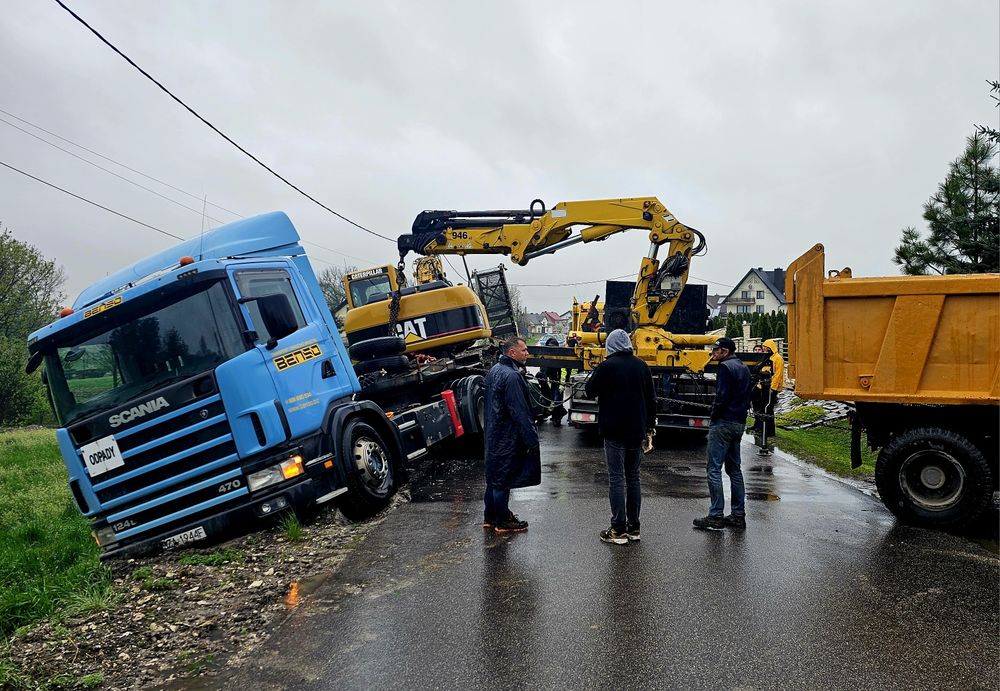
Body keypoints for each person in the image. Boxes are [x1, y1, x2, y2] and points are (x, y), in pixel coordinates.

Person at [584, 329, 655, 545]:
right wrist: (649, 428)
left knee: (616, 478)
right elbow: (651, 399)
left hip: (613, 429)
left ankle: (617, 530)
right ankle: (634, 527)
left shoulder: (607, 366)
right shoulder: (642, 366)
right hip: (636, 430)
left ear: (610, 346)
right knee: (633, 477)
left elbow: (589, 391)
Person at [483, 335, 541, 533]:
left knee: (494, 477)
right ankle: (502, 521)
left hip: (493, 433)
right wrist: (531, 439)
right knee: (502, 480)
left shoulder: (495, 370)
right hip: (507, 435)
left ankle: (489, 517)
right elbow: (520, 412)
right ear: (512, 353)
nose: (527, 353)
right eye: (524, 350)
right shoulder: (513, 376)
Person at [694, 337, 752, 531]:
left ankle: (716, 515)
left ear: (725, 351)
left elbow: (722, 396)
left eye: (716, 350)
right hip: (739, 422)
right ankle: (738, 514)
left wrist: (714, 414)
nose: (713, 353)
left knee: (714, 469)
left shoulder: (726, 368)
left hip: (724, 422)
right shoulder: (743, 367)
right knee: (734, 469)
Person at [538, 335, 566, 426]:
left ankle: (556, 417)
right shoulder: (544, 356)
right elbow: (542, 370)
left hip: (556, 382)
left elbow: (564, 371)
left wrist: (561, 383)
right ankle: (543, 414)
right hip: (546, 381)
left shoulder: (560, 357)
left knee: (557, 399)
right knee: (545, 398)